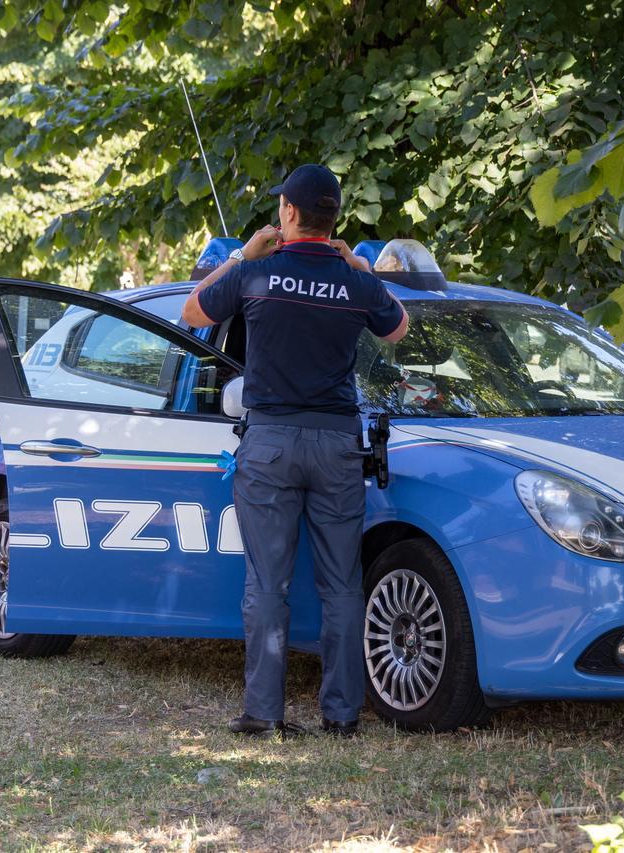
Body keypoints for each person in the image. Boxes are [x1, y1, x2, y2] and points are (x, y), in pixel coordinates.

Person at [182, 164, 409, 737]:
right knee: (342, 584)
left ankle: (263, 713)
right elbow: (398, 329)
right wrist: (358, 266)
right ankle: (341, 715)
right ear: (333, 218)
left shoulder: (259, 274)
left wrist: (242, 256)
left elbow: (192, 313)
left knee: (266, 582)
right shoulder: (356, 284)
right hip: (336, 443)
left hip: (271, 443)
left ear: (287, 214)